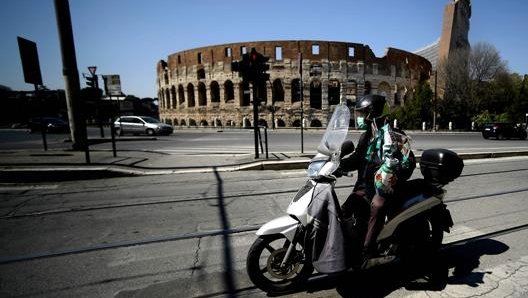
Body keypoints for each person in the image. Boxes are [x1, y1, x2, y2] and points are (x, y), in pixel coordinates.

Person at [340, 94, 415, 267]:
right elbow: (357, 158)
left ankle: (368, 250)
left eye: (362, 113)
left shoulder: (395, 136)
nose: (359, 117)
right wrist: (337, 165)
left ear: (372, 115)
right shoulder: (366, 137)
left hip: (385, 191)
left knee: (377, 207)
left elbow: (409, 163)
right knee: (346, 209)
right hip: (364, 187)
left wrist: (392, 172)